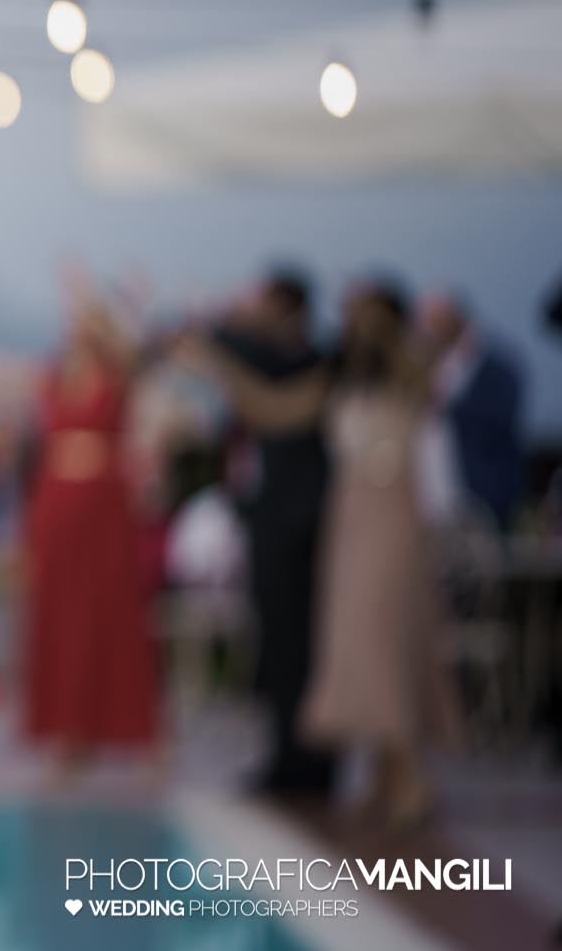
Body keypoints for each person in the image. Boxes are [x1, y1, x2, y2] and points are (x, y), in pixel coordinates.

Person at [180, 279, 462, 830]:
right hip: (350, 525)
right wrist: (220, 363)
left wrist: (396, 326)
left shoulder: (409, 376)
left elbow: (434, 351)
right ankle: (386, 773)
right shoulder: (337, 378)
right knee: (362, 646)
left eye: (363, 311)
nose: (353, 321)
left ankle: (408, 775)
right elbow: (274, 409)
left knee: (391, 641)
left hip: (393, 523)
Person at [17, 293, 161, 778]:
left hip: (104, 510)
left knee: (112, 614)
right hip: (57, 504)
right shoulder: (55, 374)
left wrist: (111, 317)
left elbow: (137, 357)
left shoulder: (118, 374)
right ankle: (68, 736)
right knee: (62, 618)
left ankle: (135, 734)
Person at [210, 268, 337, 799]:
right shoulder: (272, 361)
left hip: (300, 524)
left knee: (302, 646)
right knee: (277, 647)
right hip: (270, 520)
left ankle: (309, 759)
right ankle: (286, 754)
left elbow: (233, 351)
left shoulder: (308, 364)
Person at [417, 291, 525, 534]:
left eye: (434, 321)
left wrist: (446, 406)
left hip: (482, 497)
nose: (428, 330)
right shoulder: (428, 366)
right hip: (436, 501)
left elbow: (498, 421)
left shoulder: (494, 363)